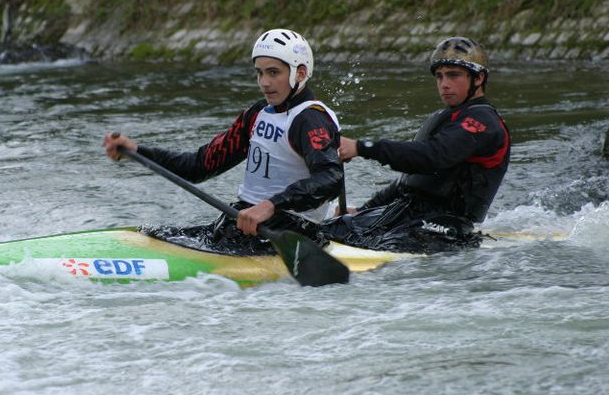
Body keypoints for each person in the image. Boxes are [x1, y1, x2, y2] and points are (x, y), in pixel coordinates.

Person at [103, 29, 344, 255]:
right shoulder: (257, 114)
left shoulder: (311, 119)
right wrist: (137, 151)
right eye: (259, 73)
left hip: (291, 231)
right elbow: (199, 165)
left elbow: (330, 178)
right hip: (243, 223)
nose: (264, 83)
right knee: (155, 235)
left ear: (300, 74)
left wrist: (271, 205)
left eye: (273, 72)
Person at [322, 36, 510, 254]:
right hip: (406, 214)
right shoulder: (445, 117)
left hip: (445, 227)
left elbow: (431, 157)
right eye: (439, 77)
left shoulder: (483, 123)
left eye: (453, 75)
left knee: (378, 245)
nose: (444, 84)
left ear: (478, 78)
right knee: (327, 230)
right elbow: (409, 183)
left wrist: (362, 147)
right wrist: (364, 211)